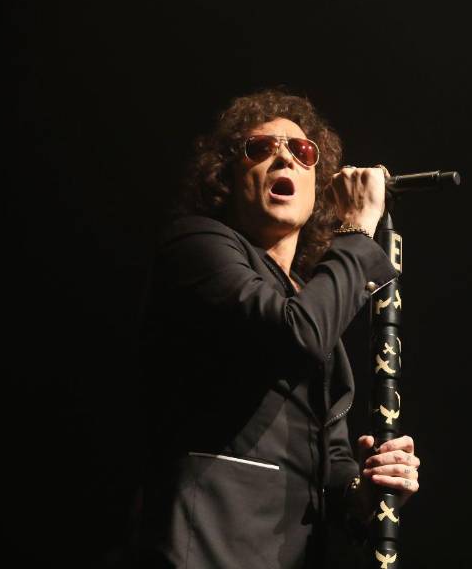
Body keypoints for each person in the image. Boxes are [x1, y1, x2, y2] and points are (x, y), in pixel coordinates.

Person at [136, 89, 420, 568]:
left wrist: (364, 489)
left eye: (302, 151)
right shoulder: (197, 247)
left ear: (318, 187)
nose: (284, 157)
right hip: (207, 544)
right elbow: (294, 337)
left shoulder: (311, 297)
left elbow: (327, 454)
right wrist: (356, 232)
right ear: (227, 177)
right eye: (260, 148)